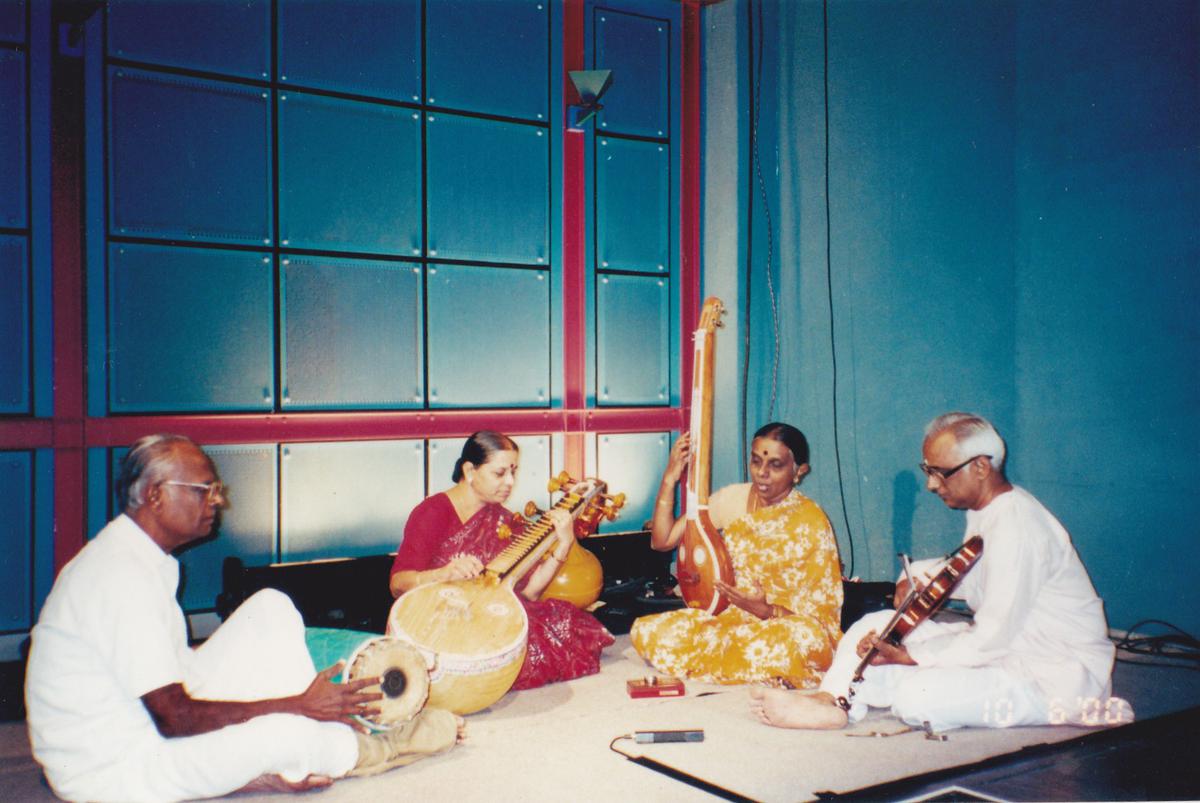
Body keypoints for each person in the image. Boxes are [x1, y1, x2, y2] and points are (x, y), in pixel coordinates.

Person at [25, 434, 462, 803]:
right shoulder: (120, 576)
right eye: (203, 489)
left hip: (140, 721)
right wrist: (296, 707)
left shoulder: (135, 556)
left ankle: (308, 721)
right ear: (155, 495)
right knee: (287, 735)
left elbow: (170, 677)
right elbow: (174, 719)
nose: (217, 500)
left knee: (268, 608)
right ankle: (357, 742)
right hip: (116, 766)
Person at [750, 412, 1119, 732]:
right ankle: (831, 701)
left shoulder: (1018, 525)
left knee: (917, 697)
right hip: (1007, 648)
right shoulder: (989, 512)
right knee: (874, 625)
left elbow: (992, 636)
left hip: (1052, 672)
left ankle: (869, 690)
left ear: (980, 466)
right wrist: (911, 579)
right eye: (928, 471)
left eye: (941, 473)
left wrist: (910, 657)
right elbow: (969, 573)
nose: (931, 484)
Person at [389, 431, 614, 689]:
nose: (509, 482)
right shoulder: (433, 512)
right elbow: (397, 584)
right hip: (438, 619)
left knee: (569, 625)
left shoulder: (504, 520)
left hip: (486, 617)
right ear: (470, 471)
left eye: (513, 472)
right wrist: (443, 574)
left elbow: (528, 593)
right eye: (499, 473)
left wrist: (562, 544)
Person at [630, 423, 843, 688]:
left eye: (775, 465)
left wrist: (766, 610)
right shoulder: (732, 499)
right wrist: (670, 477)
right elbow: (662, 541)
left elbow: (821, 617)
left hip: (785, 623)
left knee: (799, 640)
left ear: (799, 471)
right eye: (756, 462)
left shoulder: (811, 520)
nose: (762, 473)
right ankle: (750, 661)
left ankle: (743, 657)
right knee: (650, 631)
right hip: (732, 618)